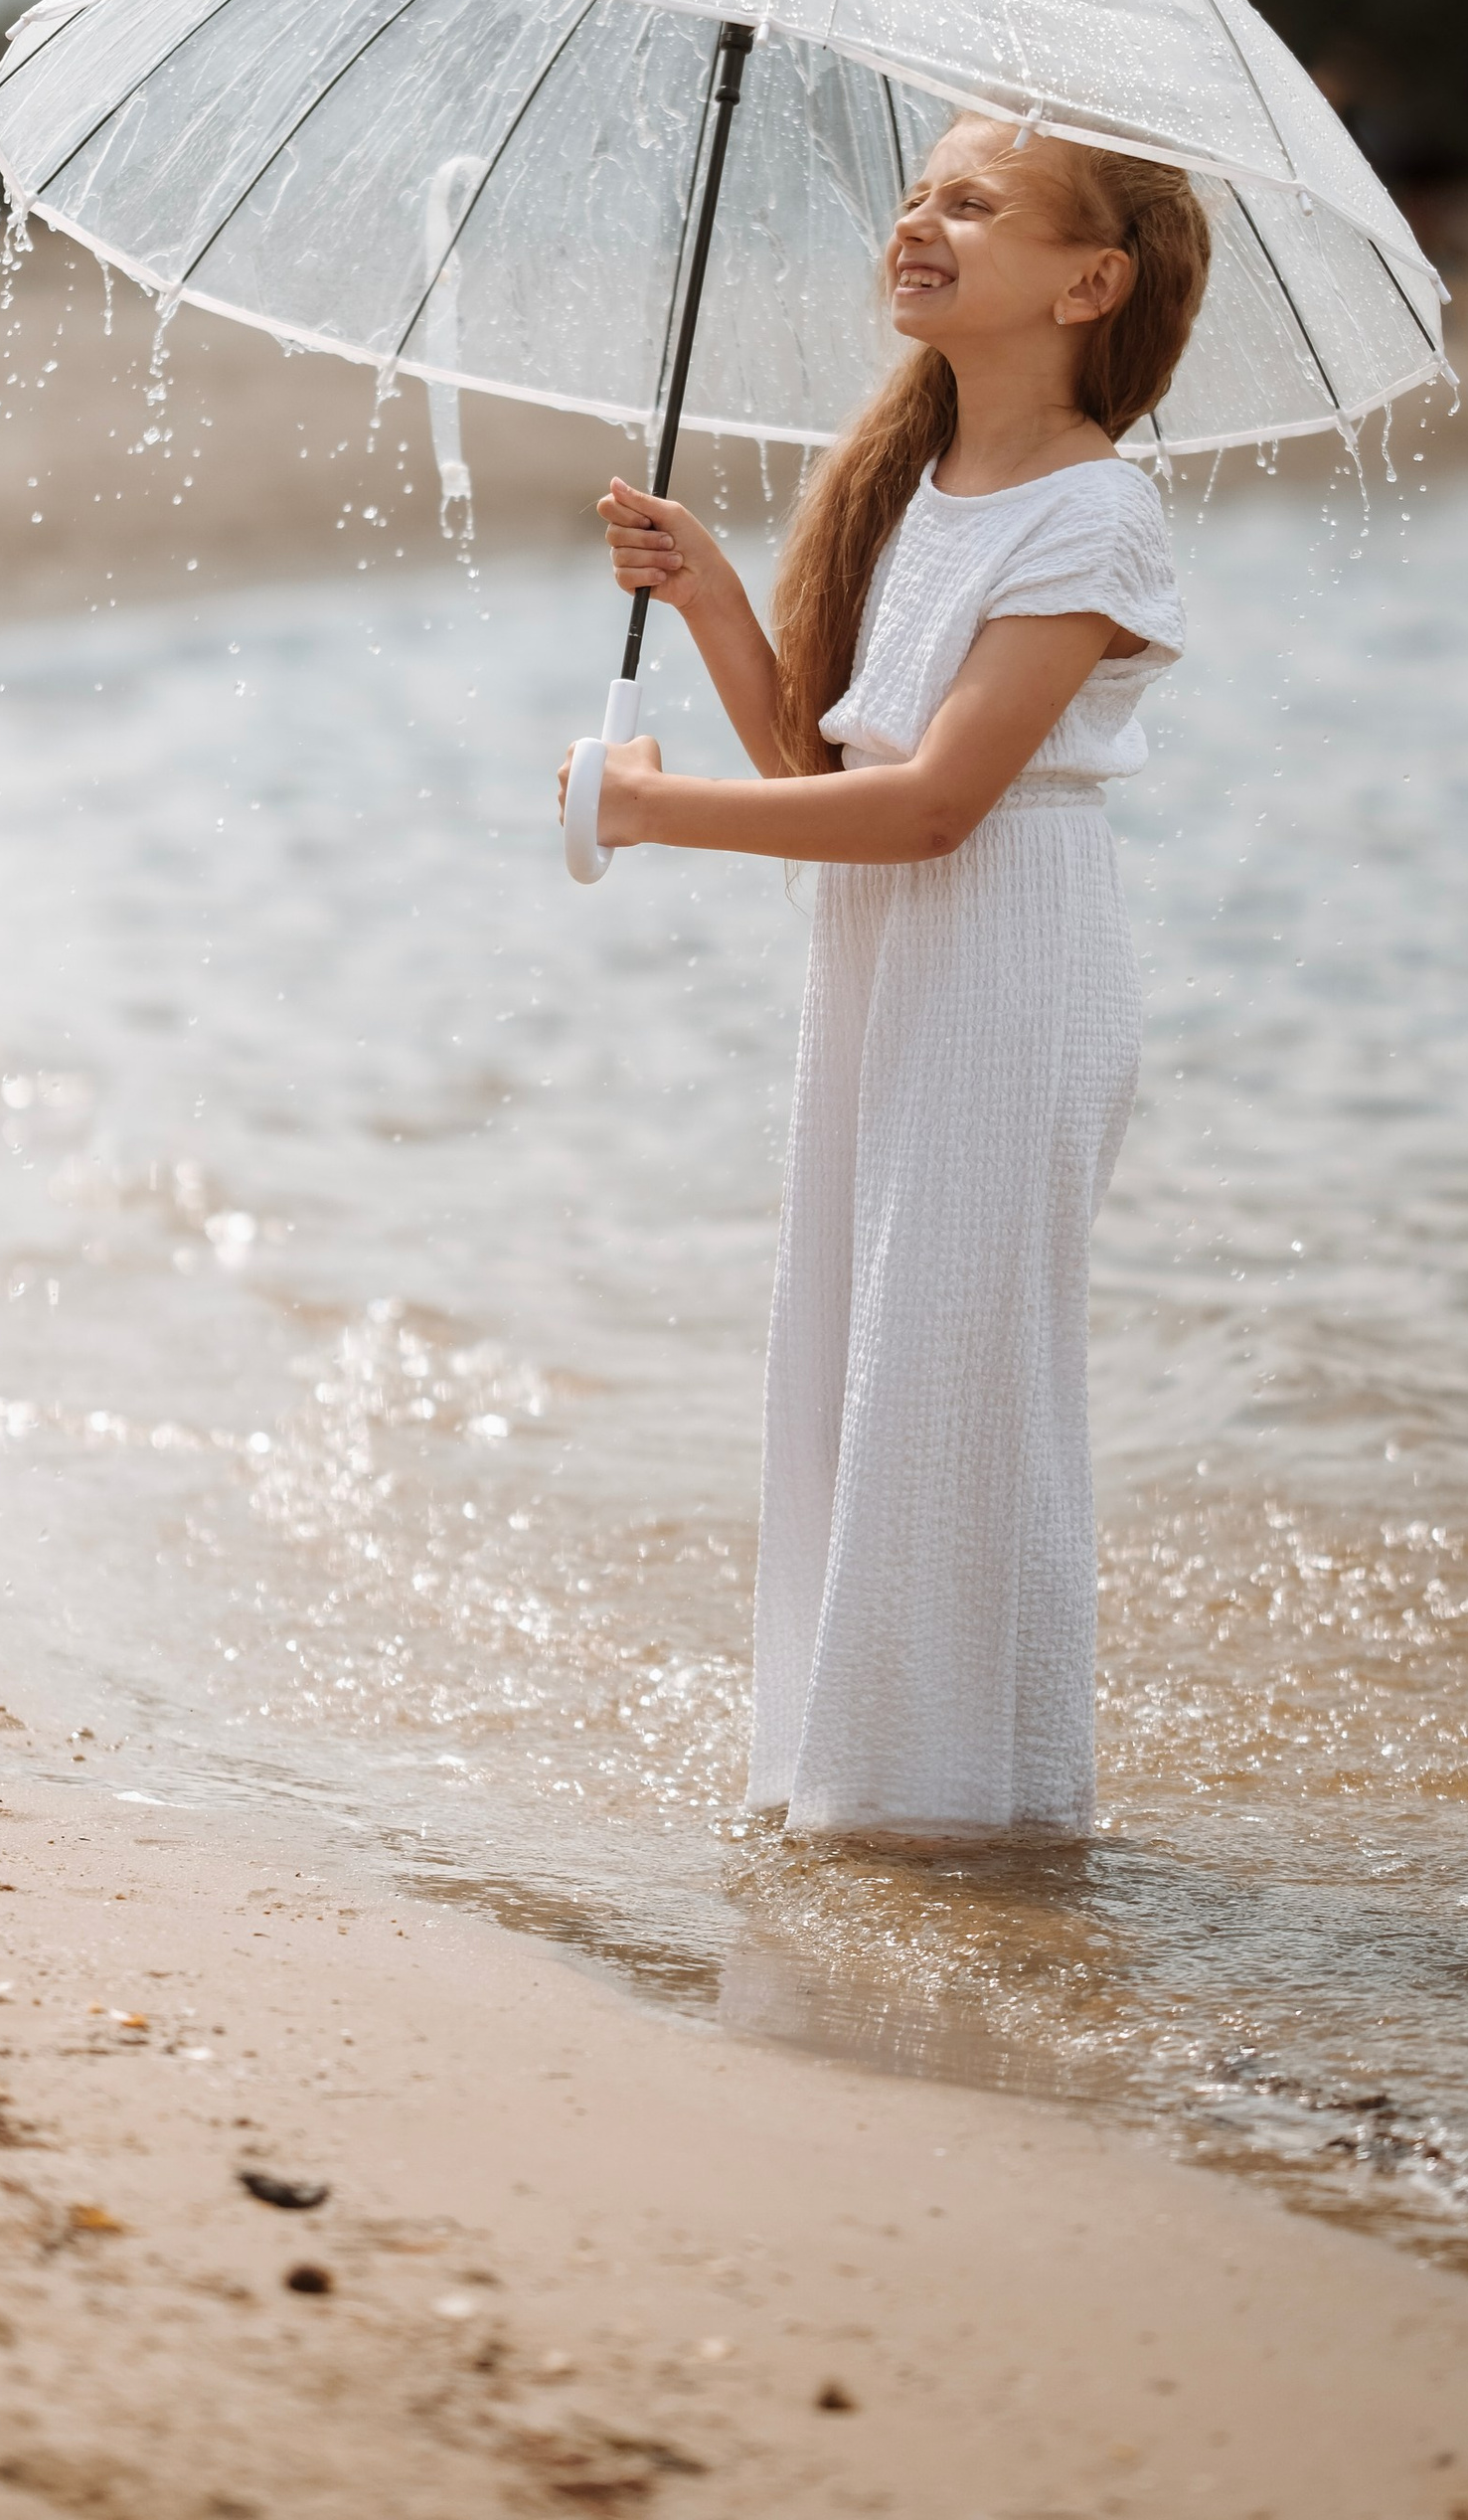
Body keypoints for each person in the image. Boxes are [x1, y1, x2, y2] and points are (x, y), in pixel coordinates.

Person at [561, 115, 1211, 1840]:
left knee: (951, 1377)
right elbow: (826, 766)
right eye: (918, 193)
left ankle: (968, 1812)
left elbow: (931, 810)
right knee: (855, 1355)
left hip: (1008, 973)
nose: (920, 219)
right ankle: (866, 1787)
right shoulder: (920, 487)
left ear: (1090, 283)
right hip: (887, 974)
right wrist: (708, 597)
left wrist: (639, 809)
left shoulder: (1097, 512)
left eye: (974, 205)